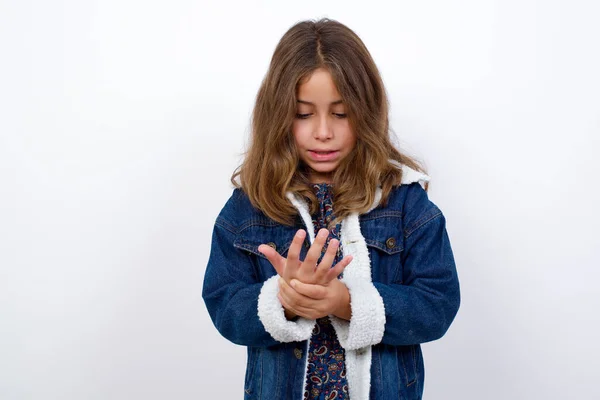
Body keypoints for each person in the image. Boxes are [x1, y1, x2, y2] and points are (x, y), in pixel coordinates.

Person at [202, 18, 460, 400]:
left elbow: (438, 304)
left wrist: (347, 302)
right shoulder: (249, 205)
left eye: (341, 114)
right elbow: (223, 305)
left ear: (366, 111)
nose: (323, 131)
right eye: (303, 114)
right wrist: (282, 301)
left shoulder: (404, 201)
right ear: (278, 115)